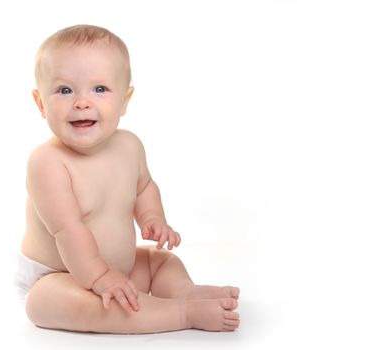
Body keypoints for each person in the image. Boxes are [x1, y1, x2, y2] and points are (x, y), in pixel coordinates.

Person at [15, 24, 240, 334]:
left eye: (100, 89)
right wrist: (99, 278)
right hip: (60, 276)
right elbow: (68, 230)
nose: (82, 102)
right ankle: (181, 313)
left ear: (125, 99)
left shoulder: (129, 145)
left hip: (117, 268)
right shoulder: (47, 163)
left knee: (161, 262)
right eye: (65, 90)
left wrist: (153, 218)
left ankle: (185, 292)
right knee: (70, 302)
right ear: (41, 104)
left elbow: (144, 186)